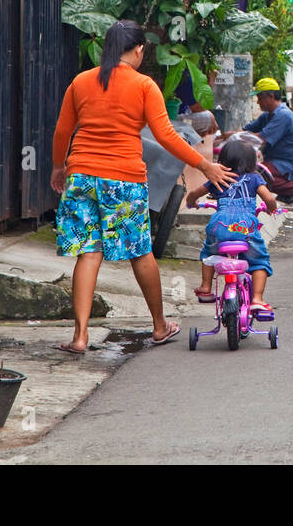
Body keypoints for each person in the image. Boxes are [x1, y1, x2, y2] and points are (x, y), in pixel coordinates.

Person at [51, 19, 235, 353]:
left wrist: (58, 166)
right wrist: (205, 164)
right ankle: (160, 326)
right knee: (139, 251)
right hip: (122, 179)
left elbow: (63, 131)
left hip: (81, 176)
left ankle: (79, 336)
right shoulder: (144, 85)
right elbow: (165, 135)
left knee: (88, 252)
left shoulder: (80, 82)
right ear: (138, 50)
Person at [185, 138, 277, 316]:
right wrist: (272, 208)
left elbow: (194, 193)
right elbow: (270, 199)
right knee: (259, 261)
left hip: (219, 224)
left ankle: (205, 287)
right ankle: (257, 299)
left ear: (222, 161)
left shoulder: (217, 177)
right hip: (245, 227)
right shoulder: (255, 178)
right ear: (252, 162)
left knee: (209, 254)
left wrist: (191, 202)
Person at [224, 78, 293, 201]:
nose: (258, 102)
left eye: (260, 98)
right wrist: (223, 136)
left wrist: (234, 139)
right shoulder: (266, 115)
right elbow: (245, 130)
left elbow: (260, 139)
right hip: (277, 162)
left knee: (254, 174)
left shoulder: (283, 115)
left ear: (270, 96)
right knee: (250, 173)